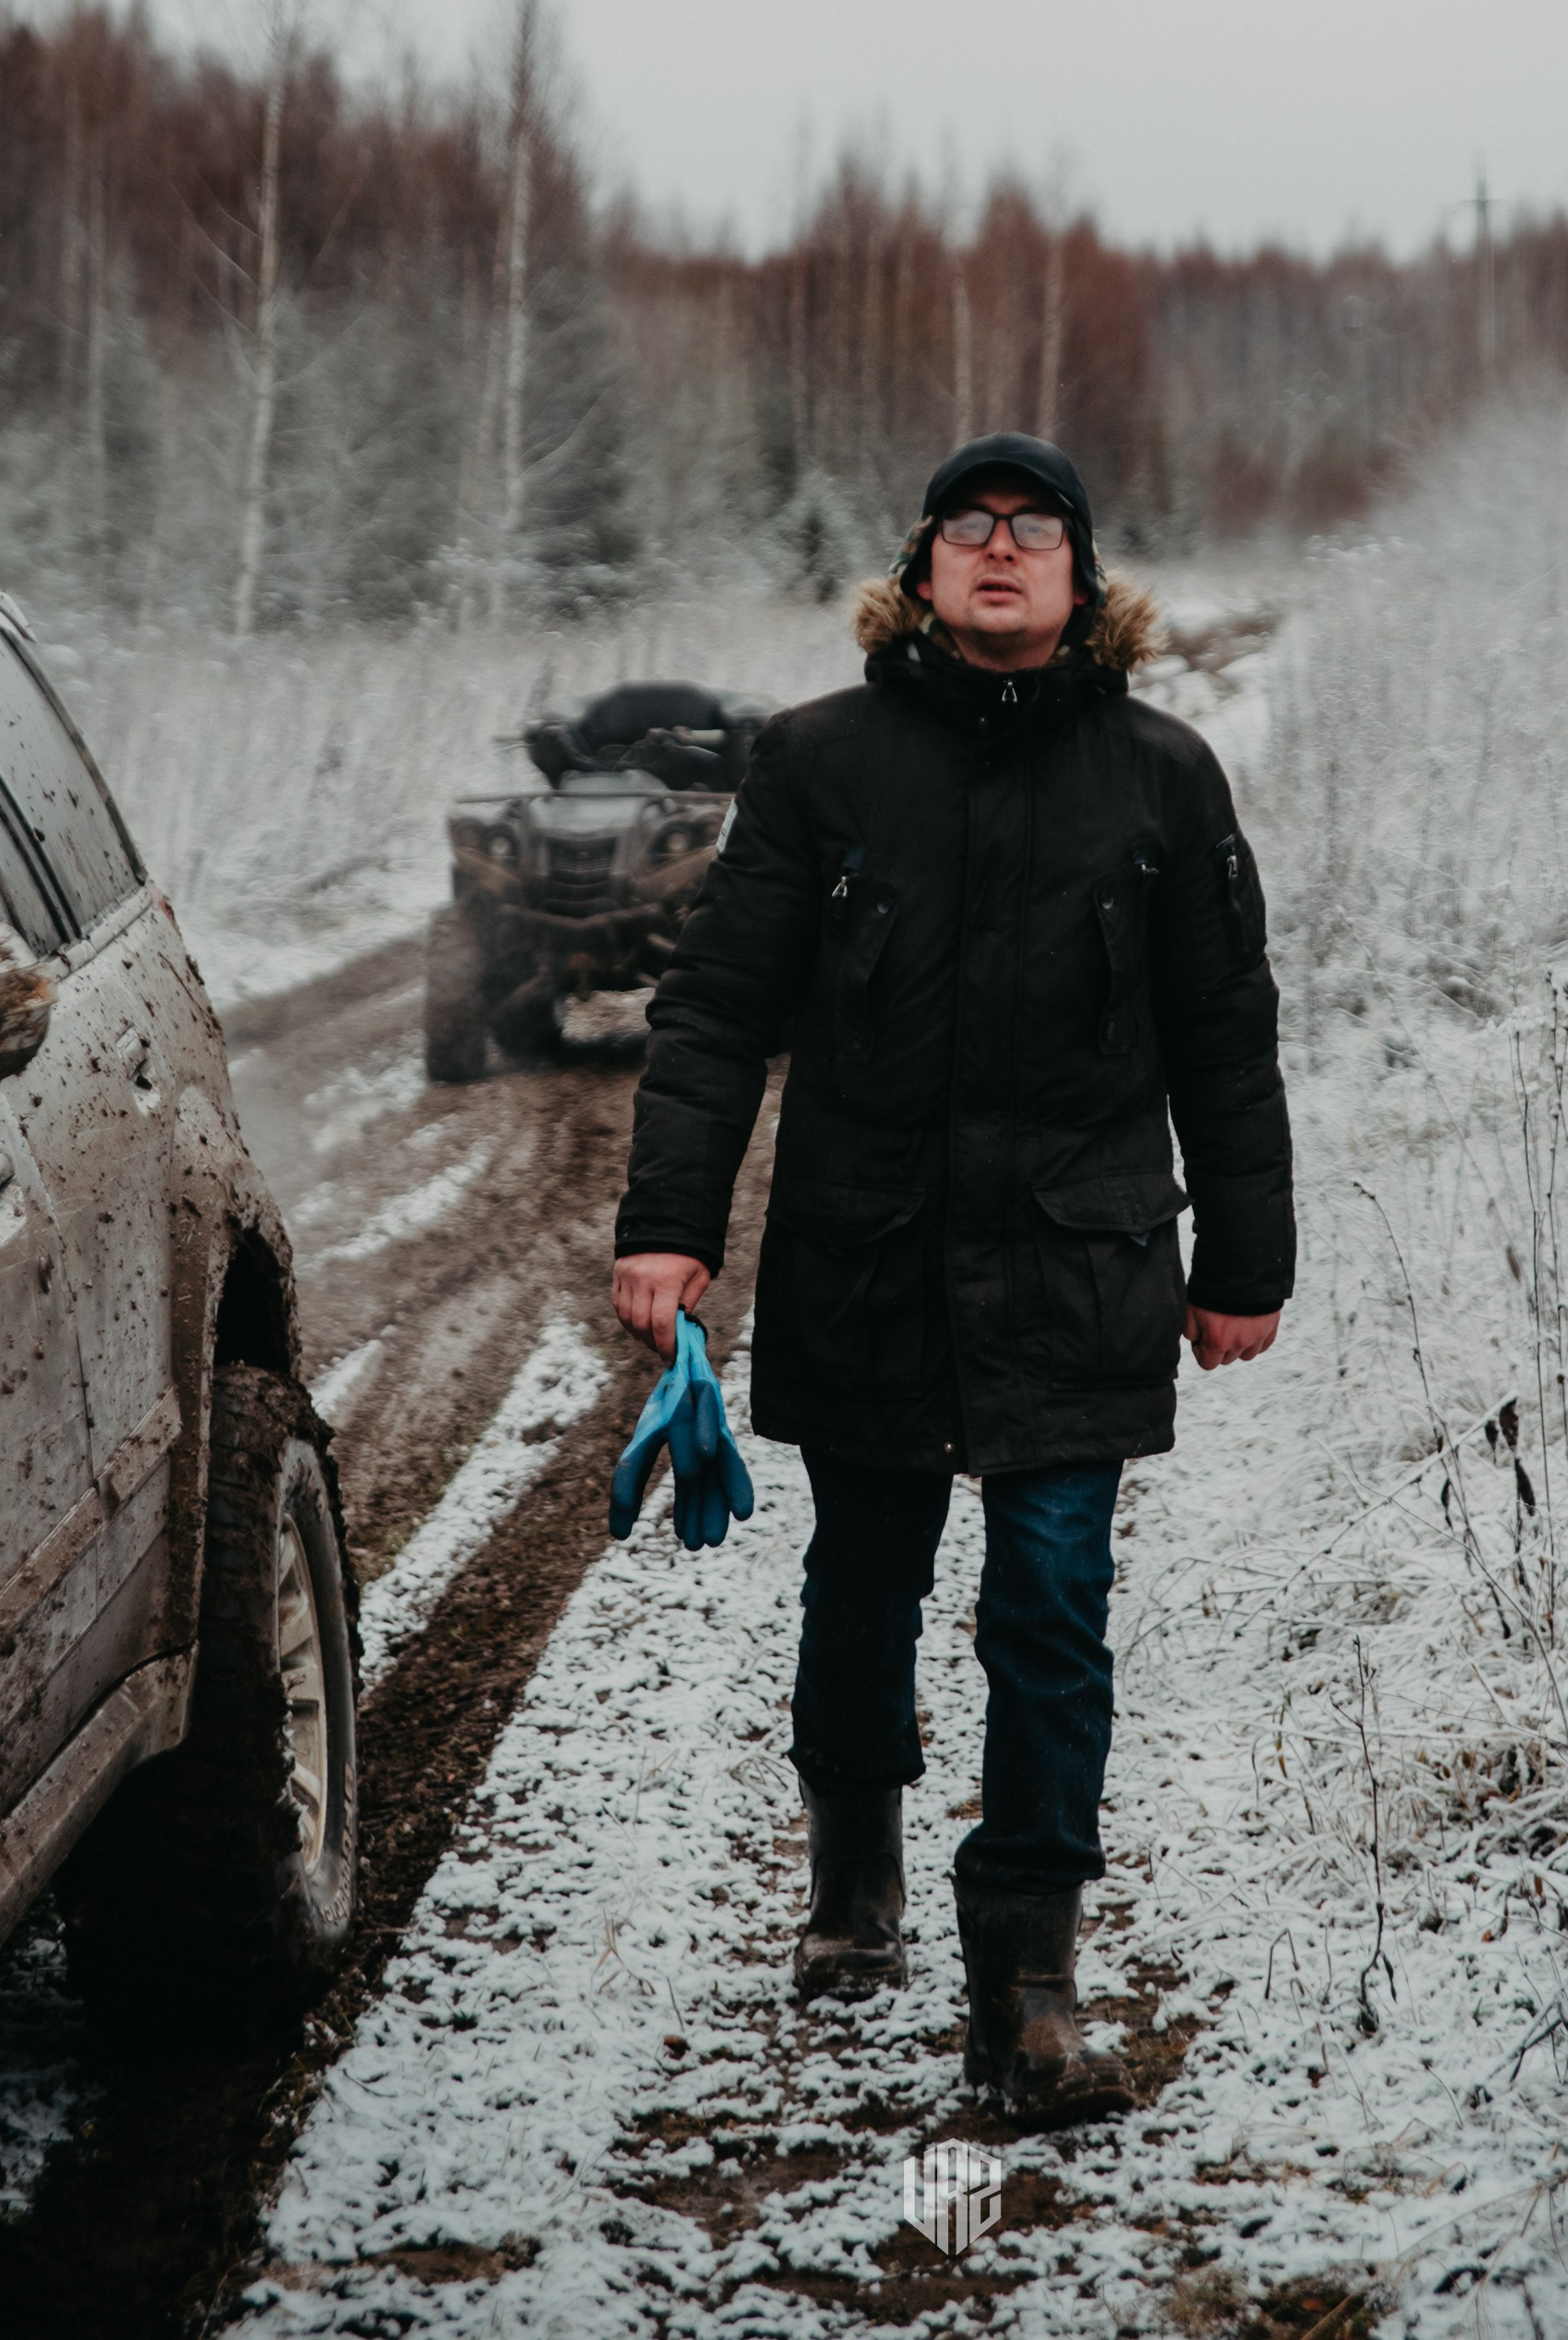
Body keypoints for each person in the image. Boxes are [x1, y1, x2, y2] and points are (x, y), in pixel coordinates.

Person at [611, 433, 1293, 2126]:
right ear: (920, 569)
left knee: (1050, 1605)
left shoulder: (1163, 774)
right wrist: (666, 1218)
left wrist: (1244, 1257)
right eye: (968, 529)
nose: (1000, 551)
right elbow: (716, 1008)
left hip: (1081, 1257)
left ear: (1082, 575)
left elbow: (1224, 1036)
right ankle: (854, 1875)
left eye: (1034, 529)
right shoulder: (819, 762)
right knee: (862, 1580)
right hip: (870, 1253)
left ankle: (1030, 1978)